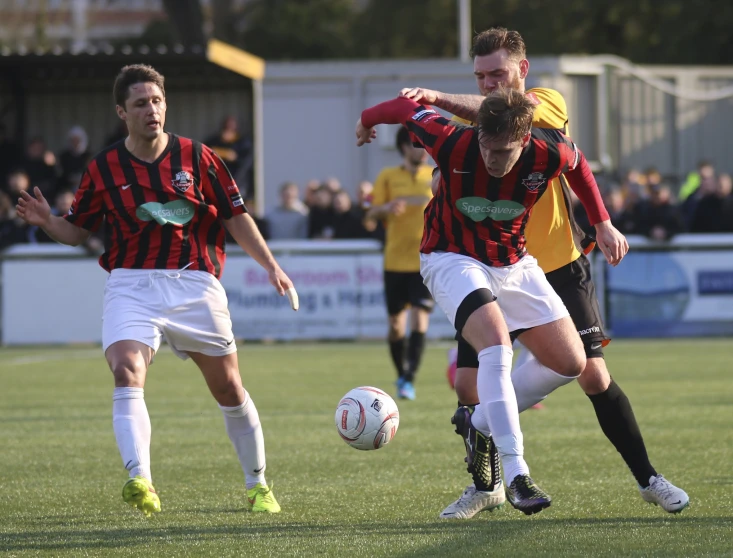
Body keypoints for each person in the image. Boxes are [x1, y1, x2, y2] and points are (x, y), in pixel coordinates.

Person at [399, 27, 689, 519]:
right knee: (469, 388)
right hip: (482, 262)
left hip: (553, 262)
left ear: (522, 71)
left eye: (498, 73)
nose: (490, 84)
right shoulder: (470, 132)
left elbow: (546, 142)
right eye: (480, 76)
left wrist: (601, 223)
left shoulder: (542, 103)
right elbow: (446, 135)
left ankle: (649, 479)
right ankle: (487, 486)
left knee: (591, 373)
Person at [15, 64, 296, 517]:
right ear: (122, 112)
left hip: (195, 282)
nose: (152, 109)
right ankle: (140, 480)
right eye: (141, 103)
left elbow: (235, 216)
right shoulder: (103, 167)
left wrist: (271, 265)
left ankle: (257, 483)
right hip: (131, 284)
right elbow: (78, 230)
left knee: (228, 387)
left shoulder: (197, 157)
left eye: (158, 100)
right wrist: (49, 221)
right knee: (126, 371)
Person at [357, 86, 628, 515]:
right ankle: (517, 473)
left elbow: (579, 166)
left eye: (503, 151)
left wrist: (603, 222)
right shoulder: (454, 141)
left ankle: (478, 423)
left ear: (524, 140)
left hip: (513, 262)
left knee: (572, 363)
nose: (492, 159)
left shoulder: (548, 150)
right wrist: (368, 119)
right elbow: (407, 108)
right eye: (487, 146)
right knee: (497, 347)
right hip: (450, 257)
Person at [365, 126, 434, 400]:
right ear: (405, 147)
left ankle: (409, 378)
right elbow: (369, 215)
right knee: (396, 326)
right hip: (394, 261)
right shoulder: (387, 177)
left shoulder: (435, 176)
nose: (425, 150)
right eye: (419, 144)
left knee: (420, 318)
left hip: (425, 262)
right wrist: (386, 208)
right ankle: (401, 372)